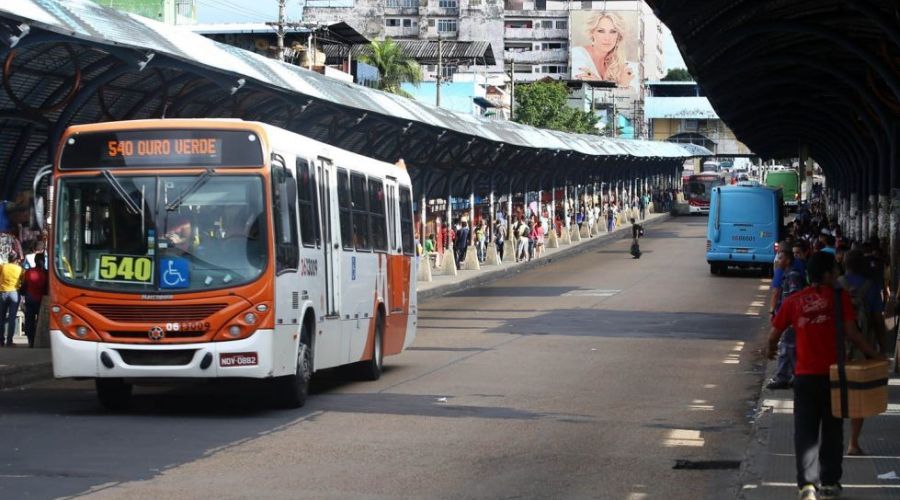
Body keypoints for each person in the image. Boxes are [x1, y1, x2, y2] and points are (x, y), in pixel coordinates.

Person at [768, 252, 884, 500]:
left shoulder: (794, 301)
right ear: (829, 274)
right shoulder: (840, 299)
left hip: (804, 378)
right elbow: (853, 333)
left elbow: (774, 334)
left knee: (805, 433)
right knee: (833, 431)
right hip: (834, 377)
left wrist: (769, 350)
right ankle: (830, 483)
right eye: (835, 270)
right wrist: (876, 355)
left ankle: (807, 486)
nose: (838, 275)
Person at [838, 250, 887, 457]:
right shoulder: (871, 287)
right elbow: (877, 319)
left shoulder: (835, 284)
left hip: (836, 346)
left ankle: (832, 439)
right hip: (863, 347)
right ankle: (853, 443)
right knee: (858, 394)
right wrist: (882, 349)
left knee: (834, 391)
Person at [765, 247, 806, 390]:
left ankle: (791, 376)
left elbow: (794, 299)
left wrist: (789, 319)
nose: (778, 260)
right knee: (787, 347)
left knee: (788, 347)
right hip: (787, 319)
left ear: (788, 260)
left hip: (791, 320)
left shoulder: (793, 275)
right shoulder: (785, 274)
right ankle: (787, 376)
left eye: (781, 258)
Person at [571, 12, 634, 87]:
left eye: (613, 31)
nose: (607, 38)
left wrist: (597, 83)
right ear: (592, 33)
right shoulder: (577, 55)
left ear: (618, 36)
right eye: (601, 31)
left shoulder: (619, 63)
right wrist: (621, 86)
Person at [20, 253, 48, 348]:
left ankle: (30, 340)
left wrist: (22, 294)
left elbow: (24, 285)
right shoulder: (46, 273)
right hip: (41, 301)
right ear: (43, 261)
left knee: (29, 320)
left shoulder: (29, 271)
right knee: (40, 321)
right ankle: (38, 340)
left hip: (30, 299)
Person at [0, 251, 23, 347]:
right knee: (12, 318)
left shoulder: (2, 266)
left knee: (1, 317)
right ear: (16, 259)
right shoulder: (20, 269)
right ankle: (9, 342)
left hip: (2, 293)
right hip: (14, 293)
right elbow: (22, 281)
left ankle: (1, 341)